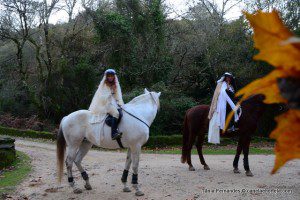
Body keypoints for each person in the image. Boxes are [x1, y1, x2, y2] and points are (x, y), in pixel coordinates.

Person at [89, 69, 124, 140]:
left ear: (114, 76)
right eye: (109, 76)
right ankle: (113, 134)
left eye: (112, 76)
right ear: (106, 77)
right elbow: (102, 97)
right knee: (116, 114)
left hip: (114, 103)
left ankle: (108, 121)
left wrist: (119, 102)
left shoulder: (115, 84)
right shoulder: (104, 85)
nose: (110, 77)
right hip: (106, 104)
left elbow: (118, 95)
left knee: (121, 114)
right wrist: (111, 90)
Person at [207, 72, 240, 144]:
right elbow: (218, 94)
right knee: (224, 109)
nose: (228, 79)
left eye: (229, 78)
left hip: (229, 100)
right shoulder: (220, 84)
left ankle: (233, 125)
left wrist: (229, 90)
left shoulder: (231, 86)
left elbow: (233, 94)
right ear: (225, 77)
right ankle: (226, 126)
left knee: (237, 109)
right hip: (221, 101)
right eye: (227, 77)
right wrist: (226, 91)